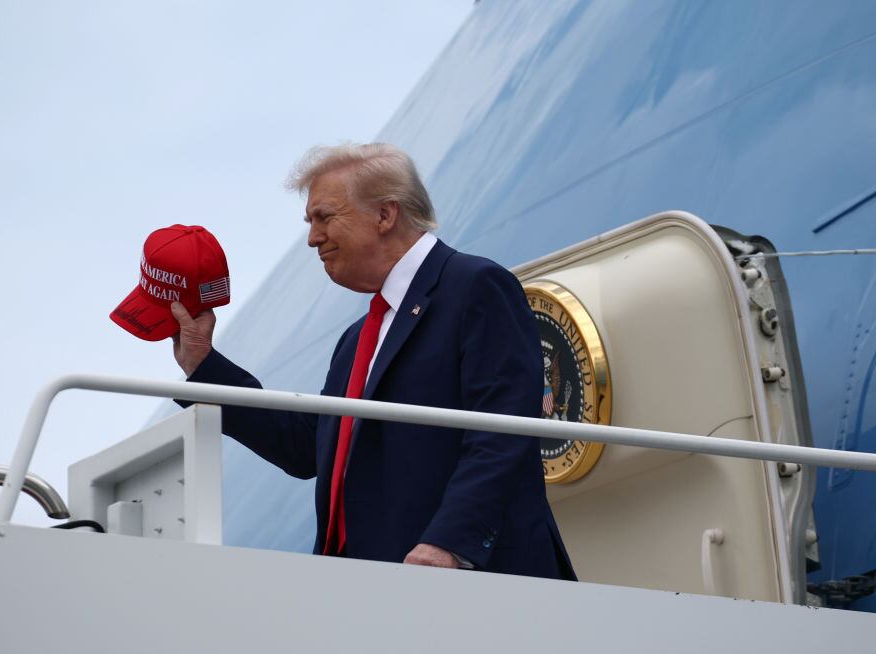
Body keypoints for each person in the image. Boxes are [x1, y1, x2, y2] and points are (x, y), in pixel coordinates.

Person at [172, 143, 575, 579]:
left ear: (385, 215)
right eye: (310, 222)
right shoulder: (356, 340)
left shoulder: (475, 287)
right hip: (369, 593)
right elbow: (308, 446)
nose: (312, 238)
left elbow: (503, 427)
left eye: (324, 217)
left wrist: (449, 544)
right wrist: (203, 366)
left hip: (464, 584)